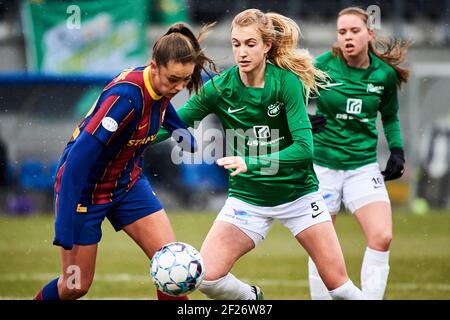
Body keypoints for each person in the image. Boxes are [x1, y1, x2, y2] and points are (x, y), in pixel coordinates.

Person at [156, 9, 364, 300]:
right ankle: (252, 300)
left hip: (299, 197)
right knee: (207, 279)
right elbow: (174, 124)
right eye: (236, 43)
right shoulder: (219, 88)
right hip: (248, 200)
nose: (242, 51)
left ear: (267, 46)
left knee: (340, 289)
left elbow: (305, 149)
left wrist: (250, 161)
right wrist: (132, 137)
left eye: (250, 44)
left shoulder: (285, 83)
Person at [34, 23, 217, 300]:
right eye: (173, 80)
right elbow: (75, 163)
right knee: (74, 286)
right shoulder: (125, 98)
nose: (179, 87)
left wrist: (182, 135)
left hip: (128, 185)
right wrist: (64, 223)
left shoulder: (159, 87)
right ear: (153, 66)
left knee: (174, 266)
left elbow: (160, 107)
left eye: (185, 80)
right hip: (86, 192)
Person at [307, 7, 410, 300]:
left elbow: (389, 117)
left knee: (382, 236)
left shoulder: (384, 75)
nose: (348, 37)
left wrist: (397, 151)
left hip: (362, 167)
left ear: (369, 34)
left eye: (354, 31)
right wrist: (303, 118)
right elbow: (290, 97)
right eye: (342, 32)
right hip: (323, 167)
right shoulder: (321, 66)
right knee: (320, 245)